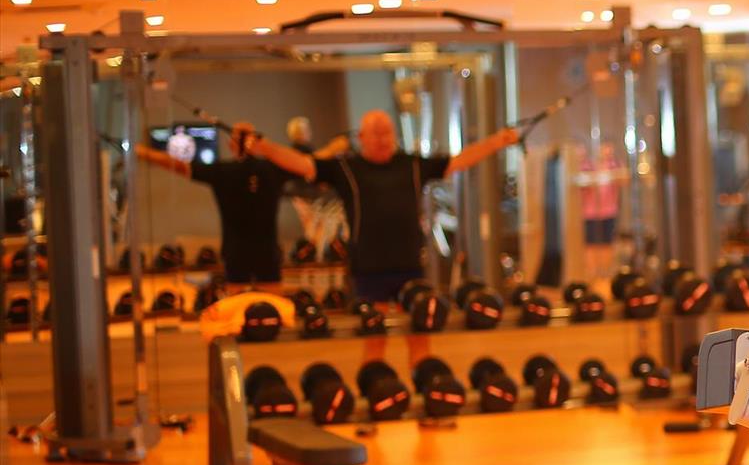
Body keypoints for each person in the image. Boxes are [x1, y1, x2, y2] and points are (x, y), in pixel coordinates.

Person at [239, 109, 519, 364]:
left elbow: (459, 161)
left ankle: (424, 386)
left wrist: (497, 141)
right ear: (361, 137)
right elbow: (301, 164)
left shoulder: (412, 164)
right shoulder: (346, 168)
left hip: (409, 266)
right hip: (369, 268)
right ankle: (376, 385)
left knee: (420, 337)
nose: (384, 139)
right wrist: (263, 146)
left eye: (387, 133)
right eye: (376, 134)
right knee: (375, 339)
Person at [134, 128, 292, 286]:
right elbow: (301, 161)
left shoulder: (223, 171)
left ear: (231, 145)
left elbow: (181, 166)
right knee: (268, 299)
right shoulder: (270, 169)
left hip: (241, 254)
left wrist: (143, 152)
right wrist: (268, 148)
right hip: (258, 254)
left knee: (244, 299)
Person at [283, 116, 351, 258]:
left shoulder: (300, 150)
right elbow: (310, 165)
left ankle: (320, 251)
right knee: (320, 223)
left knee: (315, 227)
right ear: (301, 132)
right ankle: (320, 251)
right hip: (305, 193)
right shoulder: (300, 151)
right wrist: (332, 149)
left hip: (304, 193)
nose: (310, 132)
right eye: (307, 130)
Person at [579, 140, 621, 290]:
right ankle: (592, 273)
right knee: (590, 244)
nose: (606, 151)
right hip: (590, 213)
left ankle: (605, 272)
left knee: (607, 243)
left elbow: (623, 179)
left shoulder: (614, 165)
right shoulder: (588, 166)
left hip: (608, 212)